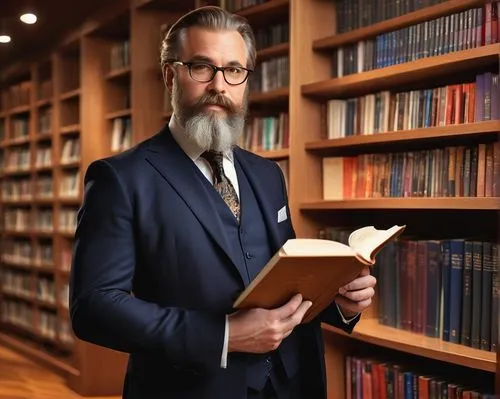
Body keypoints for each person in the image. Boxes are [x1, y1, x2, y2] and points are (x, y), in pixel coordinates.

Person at [69, 6, 376, 399]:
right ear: (170, 76)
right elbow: (94, 308)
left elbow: (282, 279)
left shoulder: (267, 173)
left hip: (294, 384)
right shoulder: (121, 178)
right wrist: (225, 335)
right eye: (202, 67)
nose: (219, 84)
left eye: (234, 70)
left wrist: (340, 302)